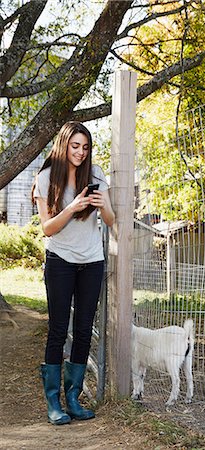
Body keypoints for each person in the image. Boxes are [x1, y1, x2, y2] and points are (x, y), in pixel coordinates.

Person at [32, 121, 115, 425]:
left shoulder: (96, 175)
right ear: (64, 145)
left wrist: (103, 203)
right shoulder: (44, 179)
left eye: (85, 146)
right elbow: (47, 228)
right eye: (75, 146)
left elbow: (110, 219)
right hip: (60, 260)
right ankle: (53, 402)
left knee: (82, 331)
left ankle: (73, 398)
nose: (81, 152)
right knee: (57, 330)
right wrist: (73, 206)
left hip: (91, 262)